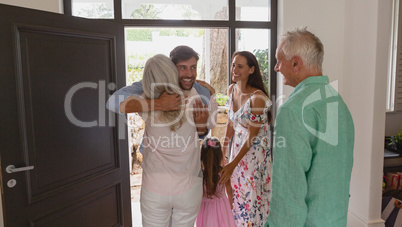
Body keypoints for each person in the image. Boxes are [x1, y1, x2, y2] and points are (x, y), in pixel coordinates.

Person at [265, 28, 355, 226]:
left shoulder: (292, 110)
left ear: (296, 63)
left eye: (279, 61)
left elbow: (288, 190)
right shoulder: (338, 103)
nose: (276, 68)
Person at [137, 54, 217, 226]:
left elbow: (116, 103)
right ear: (173, 72)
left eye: (192, 67)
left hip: (154, 189)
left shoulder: (143, 102)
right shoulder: (195, 97)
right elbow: (210, 123)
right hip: (188, 188)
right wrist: (213, 94)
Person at [106, 45, 214, 138]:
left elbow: (201, 134)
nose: (189, 74)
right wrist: (159, 104)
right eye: (182, 68)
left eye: (193, 67)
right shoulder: (152, 84)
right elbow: (113, 102)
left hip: (185, 158)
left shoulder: (202, 92)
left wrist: (202, 127)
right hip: (153, 158)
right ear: (171, 68)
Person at [219, 51, 273, 226]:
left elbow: (251, 137)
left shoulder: (257, 98)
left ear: (251, 70)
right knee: (236, 198)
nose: (234, 69)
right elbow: (230, 123)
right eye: (233, 65)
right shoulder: (231, 89)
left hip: (254, 155)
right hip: (238, 150)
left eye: (240, 66)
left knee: (252, 200)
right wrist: (223, 151)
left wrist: (233, 164)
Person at [196, 137, 236, 227]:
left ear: (202, 155)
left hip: (205, 209)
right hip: (222, 207)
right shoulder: (224, 172)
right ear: (220, 155)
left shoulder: (200, 174)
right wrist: (230, 204)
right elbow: (229, 189)